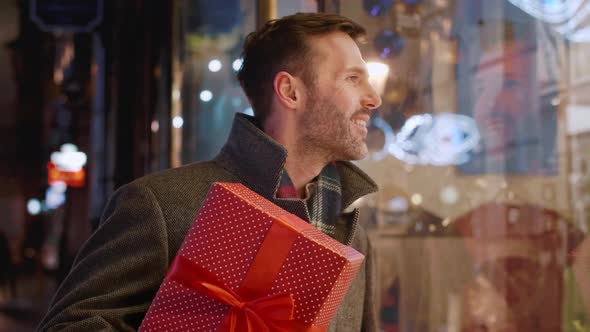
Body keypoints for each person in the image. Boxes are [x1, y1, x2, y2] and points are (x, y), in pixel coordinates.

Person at [37, 12, 382, 331]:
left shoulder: (350, 232)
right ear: (290, 92)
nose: (373, 99)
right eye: (353, 79)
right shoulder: (161, 204)